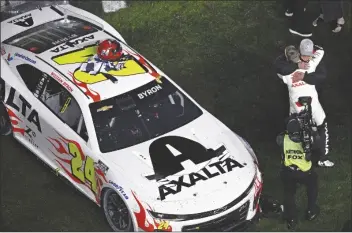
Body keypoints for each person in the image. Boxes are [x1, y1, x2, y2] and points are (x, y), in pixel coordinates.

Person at [274, 39, 334, 167]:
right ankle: (320, 158)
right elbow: (321, 51)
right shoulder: (311, 64)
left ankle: (300, 157)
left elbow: (279, 69)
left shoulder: (286, 75)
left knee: (297, 129)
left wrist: (293, 64)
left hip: (299, 106)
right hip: (308, 104)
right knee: (318, 126)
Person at [276, 115, 320, 230]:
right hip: (306, 172)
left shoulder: (282, 138)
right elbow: (317, 150)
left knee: (289, 193)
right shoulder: (308, 139)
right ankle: (311, 211)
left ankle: (291, 218)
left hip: (288, 171)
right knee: (312, 187)